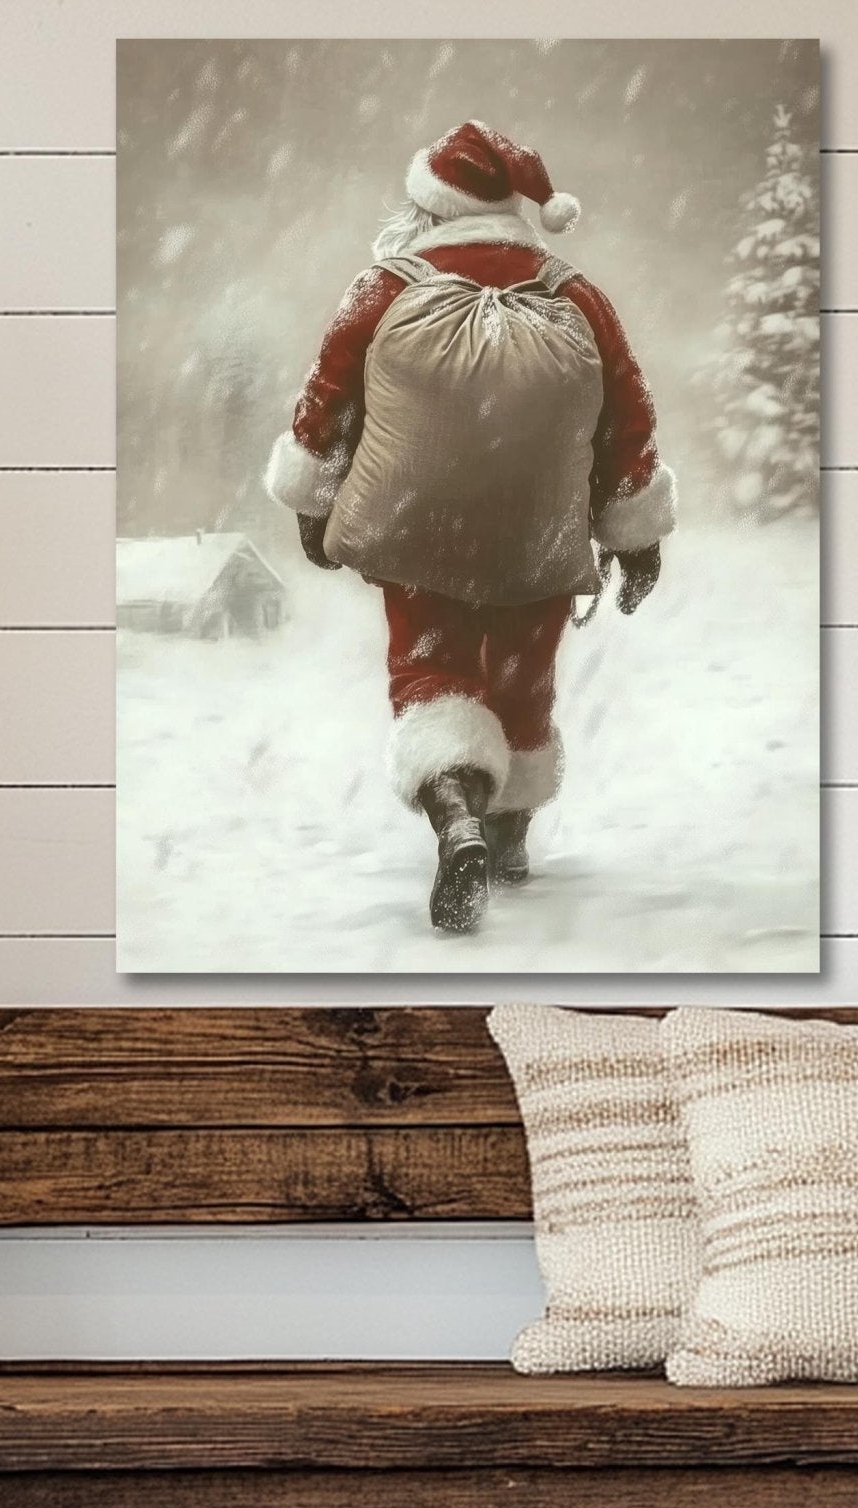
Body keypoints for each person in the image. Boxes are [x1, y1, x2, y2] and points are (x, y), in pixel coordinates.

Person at [263, 122, 678, 933]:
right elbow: (627, 415)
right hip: (539, 537)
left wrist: (316, 505)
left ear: (429, 207)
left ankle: (457, 818)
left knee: (432, 671)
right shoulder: (575, 293)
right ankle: (510, 833)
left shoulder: (384, 285)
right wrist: (636, 535)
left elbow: (326, 400)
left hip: (423, 534)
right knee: (524, 677)